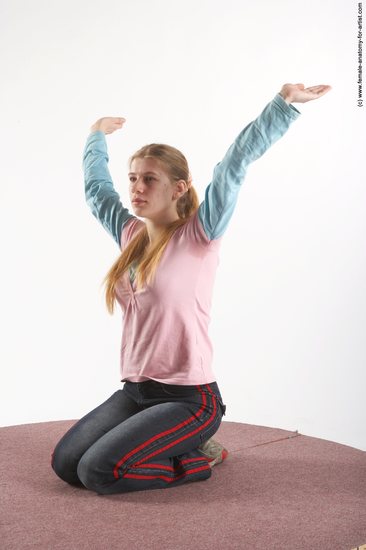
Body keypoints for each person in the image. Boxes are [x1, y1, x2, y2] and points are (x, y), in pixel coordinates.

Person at [51, 83, 331, 495]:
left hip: (190, 400)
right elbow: (97, 192)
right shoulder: (130, 233)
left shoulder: (201, 233)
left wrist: (283, 104)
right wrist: (95, 134)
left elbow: (233, 164)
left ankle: (198, 458)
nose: (136, 188)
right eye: (133, 179)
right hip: (136, 393)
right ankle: (165, 444)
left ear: (179, 187)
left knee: (98, 472)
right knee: (66, 465)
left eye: (149, 179)